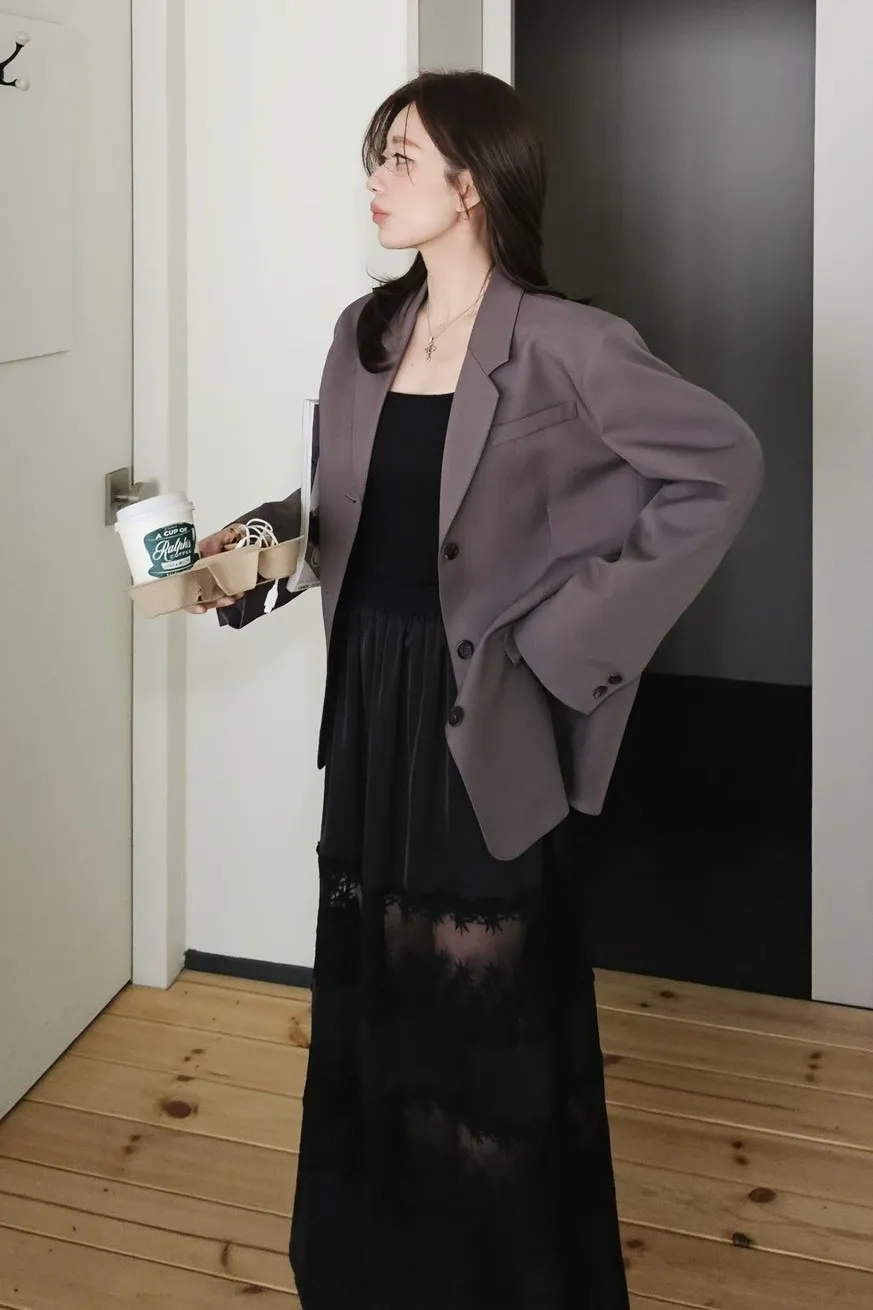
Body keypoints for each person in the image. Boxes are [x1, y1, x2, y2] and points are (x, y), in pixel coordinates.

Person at [190, 70, 764, 1310]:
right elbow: (345, 508)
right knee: (377, 995)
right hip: (372, 710)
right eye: (377, 154)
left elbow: (721, 465)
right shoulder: (364, 333)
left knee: (482, 1017)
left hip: (482, 716)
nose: (376, 177)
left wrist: (561, 642)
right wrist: (255, 554)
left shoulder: (567, 344)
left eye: (400, 156)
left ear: (473, 182)